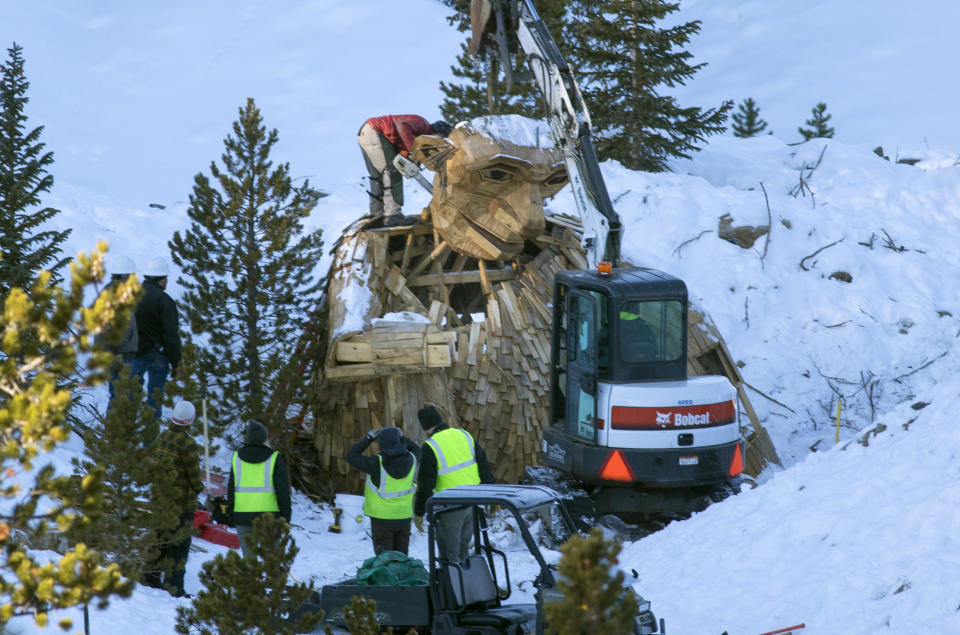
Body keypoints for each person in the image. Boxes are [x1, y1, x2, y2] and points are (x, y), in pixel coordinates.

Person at [413, 405, 495, 563]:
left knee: (449, 558)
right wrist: (491, 493)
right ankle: (464, 585)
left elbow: (425, 483)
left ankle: (452, 587)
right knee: (463, 553)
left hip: (449, 508)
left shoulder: (431, 446)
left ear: (425, 428)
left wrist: (419, 511)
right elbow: (483, 464)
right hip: (471, 503)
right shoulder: (464, 435)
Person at [144, 400, 203, 598]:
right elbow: (195, 477)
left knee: (158, 542)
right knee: (178, 546)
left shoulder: (163, 436)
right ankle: (174, 587)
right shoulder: (188, 443)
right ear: (190, 421)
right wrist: (201, 488)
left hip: (161, 500)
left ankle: (149, 579)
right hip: (181, 505)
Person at [357, 115, 453, 226]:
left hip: (367, 131)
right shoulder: (423, 125)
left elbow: (402, 143)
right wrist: (412, 150)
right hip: (375, 131)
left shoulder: (417, 134)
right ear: (438, 133)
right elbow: (403, 125)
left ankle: (377, 213)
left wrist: (411, 157)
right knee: (392, 171)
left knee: (377, 175)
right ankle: (393, 215)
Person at [346, 426, 421, 556]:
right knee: (402, 558)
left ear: (382, 444)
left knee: (384, 561)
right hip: (403, 517)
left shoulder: (376, 463)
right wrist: (400, 436)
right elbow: (417, 449)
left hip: (382, 521)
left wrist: (368, 438)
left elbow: (351, 457)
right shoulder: (412, 459)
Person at [227, 420, 292, 559]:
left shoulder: (236, 458)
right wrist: (285, 517)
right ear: (264, 438)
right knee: (272, 563)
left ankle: (252, 580)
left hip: (242, 517)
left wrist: (231, 513)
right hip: (269, 518)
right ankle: (271, 581)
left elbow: (231, 489)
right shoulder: (275, 458)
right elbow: (283, 490)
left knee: (249, 565)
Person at [131, 256, 182, 421]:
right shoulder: (164, 300)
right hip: (157, 355)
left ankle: (127, 436)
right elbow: (171, 335)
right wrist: (176, 363)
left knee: (130, 397)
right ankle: (149, 440)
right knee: (155, 398)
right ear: (162, 279)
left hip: (134, 354)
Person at [93, 255, 139, 404]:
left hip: (124, 356)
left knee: (124, 399)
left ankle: (119, 427)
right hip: (119, 357)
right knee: (120, 399)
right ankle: (114, 428)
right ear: (125, 277)